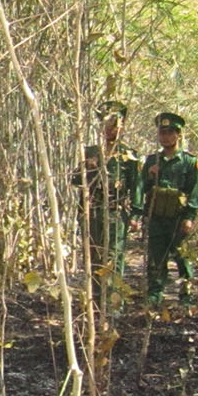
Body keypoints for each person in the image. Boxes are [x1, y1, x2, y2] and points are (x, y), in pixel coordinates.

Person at [73, 101, 141, 311]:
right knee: (93, 258)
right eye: (108, 124)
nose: (112, 129)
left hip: (115, 213)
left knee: (113, 260)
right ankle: (95, 305)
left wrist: (135, 216)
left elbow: (136, 187)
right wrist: (87, 169)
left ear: (122, 126)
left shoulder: (129, 156)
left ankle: (112, 308)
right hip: (92, 213)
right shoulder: (90, 152)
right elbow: (75, 181)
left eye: (116, 124)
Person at [134, 112, 198, 306]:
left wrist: (189, 217)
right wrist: (149, 175)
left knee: (182, 258)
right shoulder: (152, 161)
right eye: (162, 132)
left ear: (178, 135)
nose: (165, 137)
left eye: (169, 132)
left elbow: (196, 192)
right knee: (156, 259)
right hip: (156, 218)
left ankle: (186, 294)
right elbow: (141, 189)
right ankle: (155, 295)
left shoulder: (190, 162)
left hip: (178, 218)